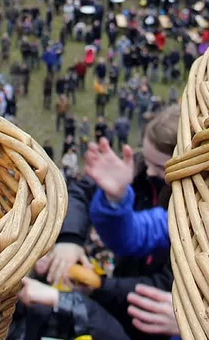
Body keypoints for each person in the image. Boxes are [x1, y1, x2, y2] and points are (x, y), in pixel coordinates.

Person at [44, 105, 180, 340]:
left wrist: (100, 287)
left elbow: (167, 284)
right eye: (145, 159)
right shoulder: (134, 168)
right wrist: (70, 238)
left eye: (159, 167)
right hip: (119, 291)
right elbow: (130, 232)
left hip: (152, 315)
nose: (148, 171)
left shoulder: (193, 213)